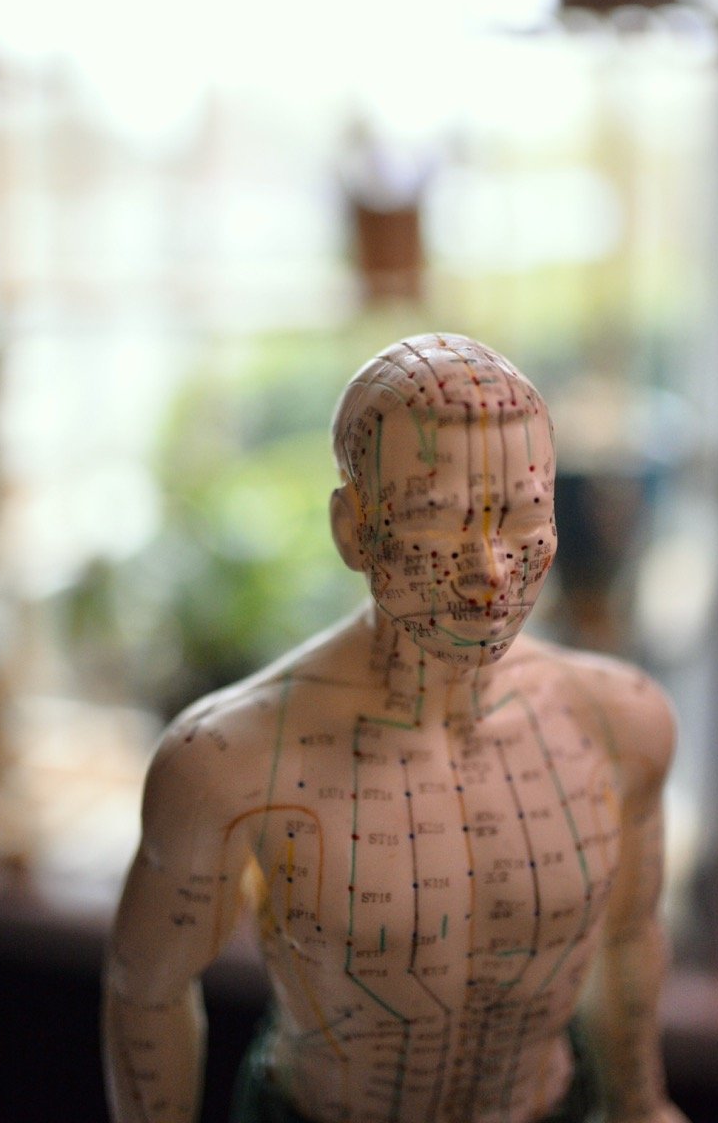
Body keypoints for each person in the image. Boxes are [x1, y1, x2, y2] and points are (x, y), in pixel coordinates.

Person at [103, 333, 687, 1123]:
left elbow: (627, 940)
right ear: (353, 530)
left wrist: (642, 1104)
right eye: (436, 519)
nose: (487, 568)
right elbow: (147, 991)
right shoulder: (227, 760)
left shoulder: (623, 724)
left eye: (520, 516)